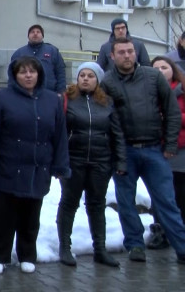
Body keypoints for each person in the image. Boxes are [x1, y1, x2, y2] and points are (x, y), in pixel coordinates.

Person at [101, 38, 185, 264]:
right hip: (124, 152)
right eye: (122, 52)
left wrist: (169, 145)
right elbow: (106, 119)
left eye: (130, 51)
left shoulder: (153, 76)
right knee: (126, 202)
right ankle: (135, 246)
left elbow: (172, 111)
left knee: (167, 202)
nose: (127, 55)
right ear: (112, 55)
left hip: (154, 149)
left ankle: (182, 247)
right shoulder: (107, 82)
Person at [0, 56, 70, 275]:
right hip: (6, 167)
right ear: (15, 75)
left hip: (37, 167)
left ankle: (27, 254)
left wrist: (60, 165)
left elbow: (59, 136)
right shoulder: (2, 98)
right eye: (23, 72)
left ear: (39, 74)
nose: (28, 75)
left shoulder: (52, 100)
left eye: (32, 71)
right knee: (3, 216)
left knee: (31, 216)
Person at [56, 62, 126, 268]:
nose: (85, 79)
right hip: (73, 161)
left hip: (100, 161)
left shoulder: (107, 103)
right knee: (69, 203)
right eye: (82, 75)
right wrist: (59, 162)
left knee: (96, 205)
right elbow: (58, 133)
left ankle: (100, 250)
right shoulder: (67, 100)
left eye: (91, 76)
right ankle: (65, 248)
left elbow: (117, 134)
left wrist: (120, 160)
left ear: (98, 80)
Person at [144, 56, 185, 250]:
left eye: (164, 67)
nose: (160, 71)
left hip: (181, 150)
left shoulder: (182, 90)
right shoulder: (148, 91)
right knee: (160, 194)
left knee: (180, 193)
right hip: (157, 148)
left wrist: (171, 117)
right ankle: (160, 232)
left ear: (173, 70)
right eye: (156, 68)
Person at [10, 24, 67, 93]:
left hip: (49, 94)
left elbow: (60, 72)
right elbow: (12, 75)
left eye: (38, 32)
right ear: (28, 36)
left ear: (42, 36)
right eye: (32, 32)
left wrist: (61, 92)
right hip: (24, 95)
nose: (35, 34)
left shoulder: (53, 51)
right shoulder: (19, 53)